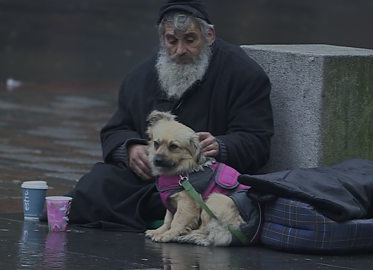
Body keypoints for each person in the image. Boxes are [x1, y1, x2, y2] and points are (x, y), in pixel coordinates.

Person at [66, 0, 274, 231]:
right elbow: (116, 129)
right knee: (94, 186)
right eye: (172, 40)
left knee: (195, 202)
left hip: (206, 183)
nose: (180, 50)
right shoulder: (140, 77)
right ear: (162, 39)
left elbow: (257, 140)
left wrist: (222, 145)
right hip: (154, 178)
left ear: (210, 35)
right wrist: (130, 149)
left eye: (190, 39)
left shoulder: (243, 75)